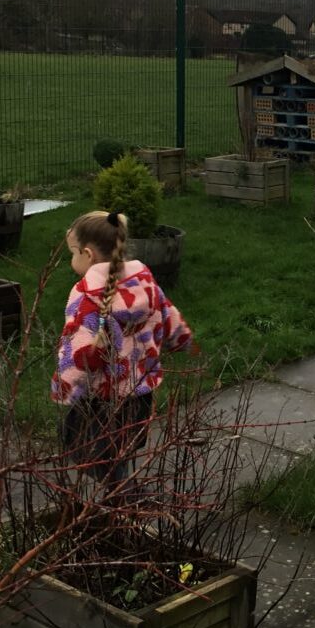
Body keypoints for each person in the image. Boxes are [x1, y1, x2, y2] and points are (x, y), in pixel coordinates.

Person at [51, 210, 193, 490]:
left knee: (92, 454)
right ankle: (124, 496)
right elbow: (167, 313)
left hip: (102, 399)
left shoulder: (87, 296)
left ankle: (123, 502)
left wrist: (65, 387)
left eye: (73, 253)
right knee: (122, 449)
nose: (72, 260)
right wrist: (181, 338)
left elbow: (78, 352)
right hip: (140, 391)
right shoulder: (143, 279)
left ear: (88, 254)